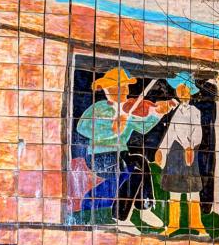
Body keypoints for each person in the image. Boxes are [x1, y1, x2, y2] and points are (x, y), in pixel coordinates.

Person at [72, 67, 172, 223]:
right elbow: (82, 128)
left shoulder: (128, 111)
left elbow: (143, 127)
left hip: (121, 155)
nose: (126, 91)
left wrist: (158, 113)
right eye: (122, 87)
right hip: (99, 157)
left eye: (126, 87)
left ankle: (143, 207)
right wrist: (111, 128)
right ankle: (119, 215)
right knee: (129, 167)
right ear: (110, 90)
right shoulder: (99, 108)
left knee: (140, 162)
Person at [154, 72, 206, 235]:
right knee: (174, 189)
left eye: (184, 89)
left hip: (188, 152)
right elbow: (171, 132)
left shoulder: (195, 111)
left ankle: (197, 224)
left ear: (190, 91)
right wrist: (161, 151)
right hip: (175, 153)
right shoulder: (175, 110)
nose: (182, 92)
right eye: (179, 89)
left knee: (193, 188)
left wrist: (190, 147)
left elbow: (198, 131)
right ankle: (173, 225)